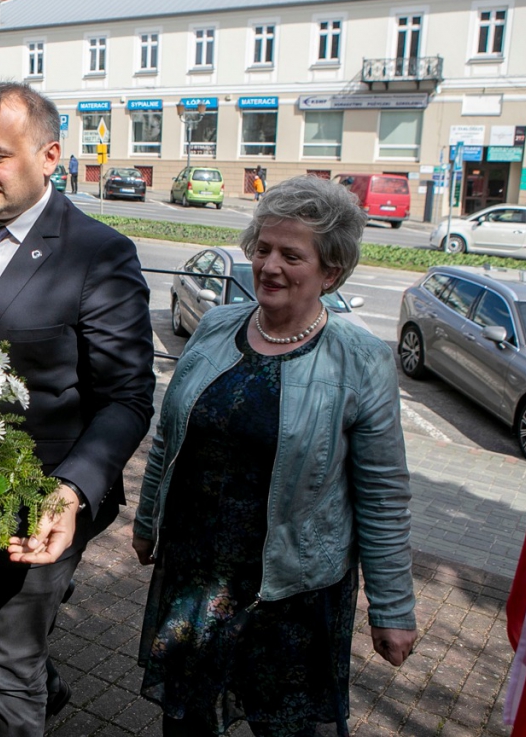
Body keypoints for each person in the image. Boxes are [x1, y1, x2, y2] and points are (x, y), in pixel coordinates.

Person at [132, 174, 417, 737]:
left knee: (283, 727)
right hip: (197, 572)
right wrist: (146, 522)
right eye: (262, 249)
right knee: (187, 719)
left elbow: (383, 493)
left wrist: (392, 609)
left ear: (330, 271)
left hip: (289, 587)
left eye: (292, 255)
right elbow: (169, 437)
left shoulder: (359, 359)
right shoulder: (215, 328)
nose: (269, 266)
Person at [0, 82, 156, 736]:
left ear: (50, 155)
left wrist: (73, 487)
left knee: (6, 657)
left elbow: (129, 395)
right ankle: (40, 679)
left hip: (42, 493)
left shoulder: (98, 255)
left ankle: (23, 692)